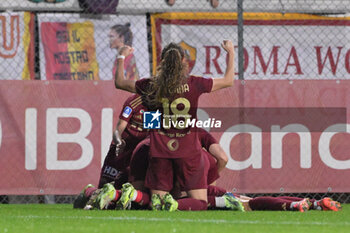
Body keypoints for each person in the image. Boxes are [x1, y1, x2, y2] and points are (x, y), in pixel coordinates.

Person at [107, 39, 235, 211]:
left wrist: (122, 55)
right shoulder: (194, 83)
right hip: (188, 152)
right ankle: (175, 204)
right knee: (200, 203)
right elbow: (228, 80)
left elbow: (120, 83)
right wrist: (231, 52)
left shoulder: (152, 85)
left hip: (160, 152)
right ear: (184, 61)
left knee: (156, 204)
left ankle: (131, 195)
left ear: (163, 62)